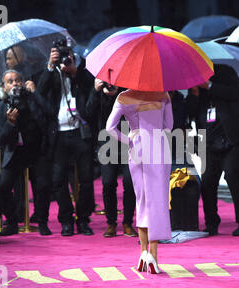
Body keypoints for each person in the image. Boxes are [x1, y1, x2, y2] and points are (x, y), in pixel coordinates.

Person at [106, 90, 173, 274]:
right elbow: (169, 126)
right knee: (157, 201)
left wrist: (129, 139)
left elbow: (110, 128)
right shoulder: (163, 95)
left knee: (142, 200)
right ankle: (153, 255)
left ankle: (143, 254)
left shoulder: (123, 97)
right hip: (159, 147)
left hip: (137, 148)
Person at [36, 40, 95, 237]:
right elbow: (40, 91)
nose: (64, 57)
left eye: (67, 53)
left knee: (86, 180)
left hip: (80, 131)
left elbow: (90, 84)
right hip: (58, 134)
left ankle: (84, 220)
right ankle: (66, 221)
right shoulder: (51, 73)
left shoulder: (80, 68)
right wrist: (51, 66)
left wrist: (74, 70)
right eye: (60, 54)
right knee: (58, 180)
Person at [186, 64, 239, 237]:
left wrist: (208, 85)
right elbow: (191, 113)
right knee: (208, 181)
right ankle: (211, 223)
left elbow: (235, 93)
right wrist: (194, 93)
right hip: (209, 141)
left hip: (232, 138)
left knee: (233, 176)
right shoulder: (194, 83)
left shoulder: (225, 71)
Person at [0, 70, 52, 236]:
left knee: (42, 185)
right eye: (10, 81)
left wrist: (35, 93)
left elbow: (48, 114)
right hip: (14, 152)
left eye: (18, 80)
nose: (14, 84)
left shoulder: (32, 100)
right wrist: (10, 123)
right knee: (2, 186)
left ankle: (42, 222)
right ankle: (12, 222)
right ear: (4, 87)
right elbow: (3, 139)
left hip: (35, 150)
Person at [86, 78, 137, 238]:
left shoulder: (128, 90)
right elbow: (88, 113)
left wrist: (118, 93)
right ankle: (111, 223)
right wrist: (96, 92)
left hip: (129, 144)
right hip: (106, 145)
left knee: (130, 184)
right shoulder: (99, 92)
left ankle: (128, 222)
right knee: (108, 183)